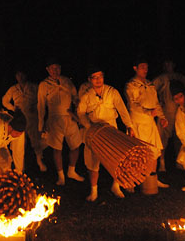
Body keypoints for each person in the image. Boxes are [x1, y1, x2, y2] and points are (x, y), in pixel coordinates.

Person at [77, 67, 134, 201]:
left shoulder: (112, 92)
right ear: (90, 80)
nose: (98, 80)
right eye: (95, 77)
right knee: (92, 161)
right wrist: (88, 126)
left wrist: (129, 125)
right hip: (94, 130)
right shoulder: (86, 95)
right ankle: (94, 191)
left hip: (111, 129)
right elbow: (80, 113)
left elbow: (122, 109)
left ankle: (116, 186)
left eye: (100, 76)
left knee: (116, 159)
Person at [37, 60, 84, 186]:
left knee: (75, 145)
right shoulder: (44, 84)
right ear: (48, 69)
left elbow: (75, 96)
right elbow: (41, 105)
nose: (55, 71)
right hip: (54, 117)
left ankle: (71, 171)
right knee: (57, 148)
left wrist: (77, 109)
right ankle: (61, 176)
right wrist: (41, 125)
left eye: (57, 68)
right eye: (52, 68)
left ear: (60, 68)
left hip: (69, 116)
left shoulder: (67, 81)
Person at [126, 60, 168, 188]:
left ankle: (152, 178)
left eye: (147, 67)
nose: (145, 70)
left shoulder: (150, 84)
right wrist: (147, 112)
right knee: (137, 153)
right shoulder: (131, 85)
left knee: (154, 150)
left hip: (150, 122)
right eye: (142, 67)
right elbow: (132, 105)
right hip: (138, 121)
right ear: (135, 68)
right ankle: (132, 181)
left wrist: (162, 117)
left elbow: (156, 103)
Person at [2, 70, 45, 172]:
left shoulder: (33, 87)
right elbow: (4, 100)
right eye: (18, 75)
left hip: (31, 117)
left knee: (35, 140)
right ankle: (19, 167)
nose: (20, 77)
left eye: (22, 74)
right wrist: (13, 108)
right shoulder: (13, 88)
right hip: (19, 119)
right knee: (19, 144)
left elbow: (41, 99)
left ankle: (40, 161)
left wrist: (35, 106)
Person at [153, 59, 185, 168]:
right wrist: (158, 105)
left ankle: (182, 163)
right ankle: (162, 163)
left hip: (181, 111)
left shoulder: (179, 77)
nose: (168, 66)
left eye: (170, 63)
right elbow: (151, 90)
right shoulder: (161, 78)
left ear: (173, 65)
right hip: (166, 113)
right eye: (166, 64)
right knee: (162, 139)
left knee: (182, 136)